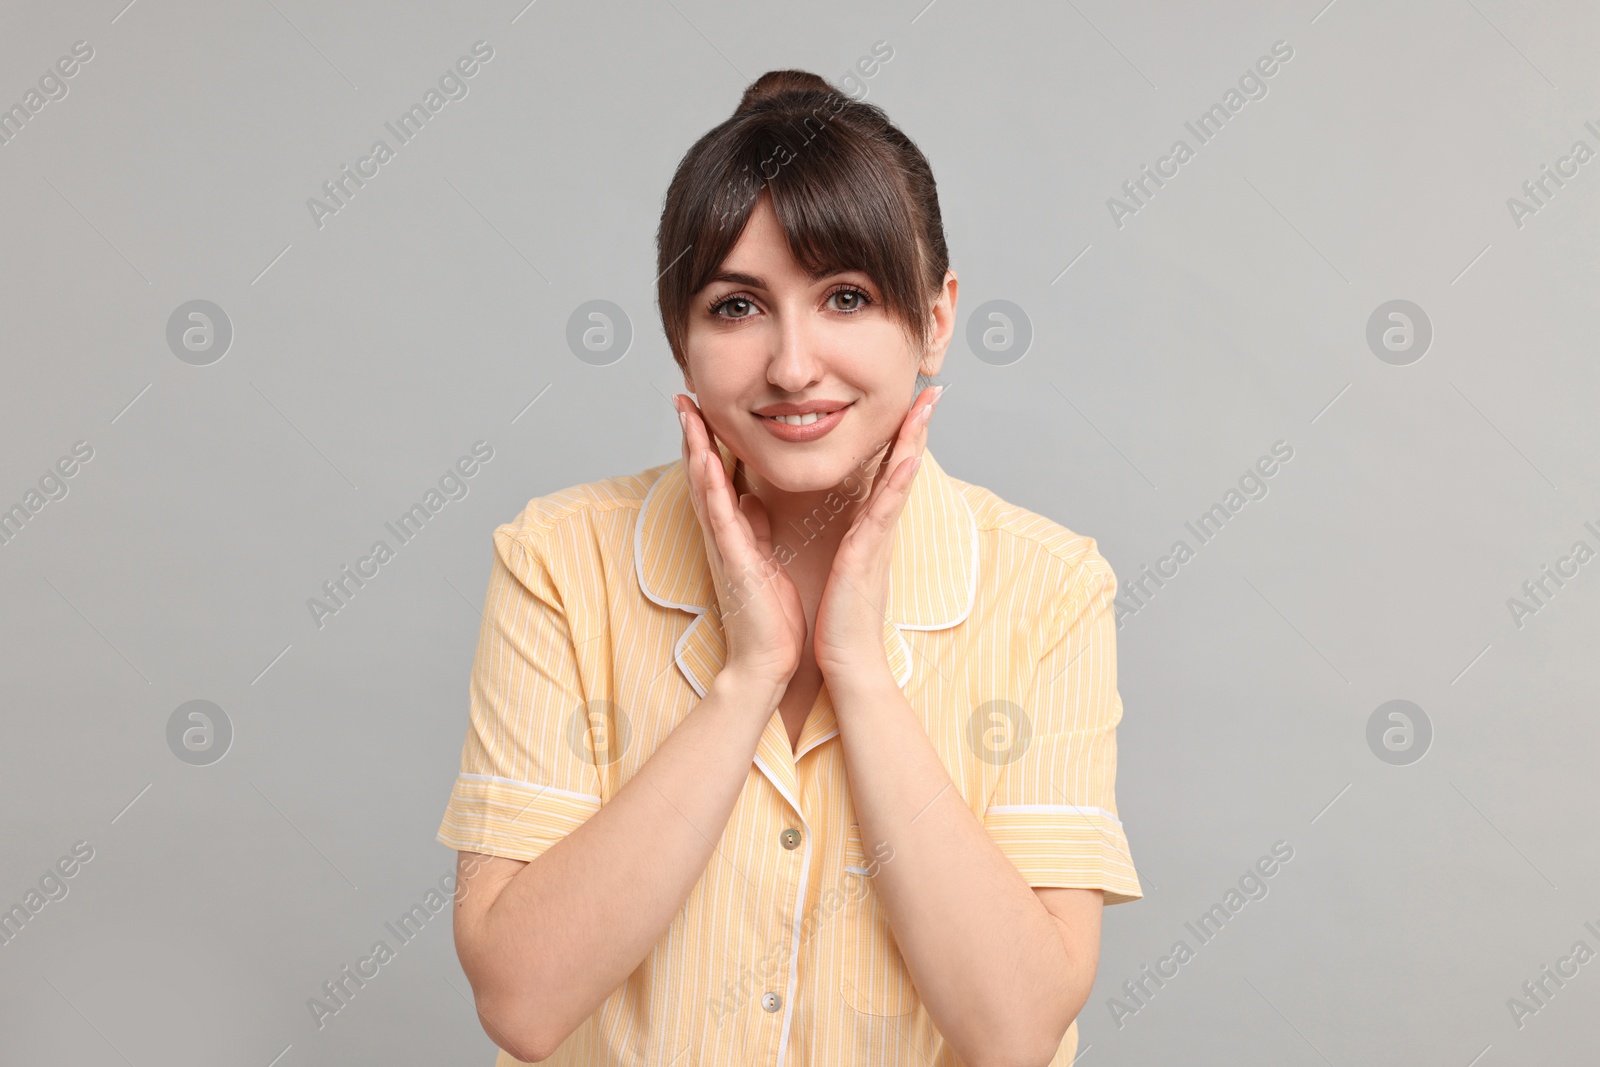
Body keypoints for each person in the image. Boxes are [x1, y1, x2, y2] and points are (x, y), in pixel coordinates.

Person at [437, 68, 1142, 1066]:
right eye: (736, 306)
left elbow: (1012, 1027)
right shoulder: (557, 559)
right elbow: (521, 996)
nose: (792, 364)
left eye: (846, 297)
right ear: (680, 336)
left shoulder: (1052, 587)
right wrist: (749, 676)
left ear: (935, 317)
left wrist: (856, 669)